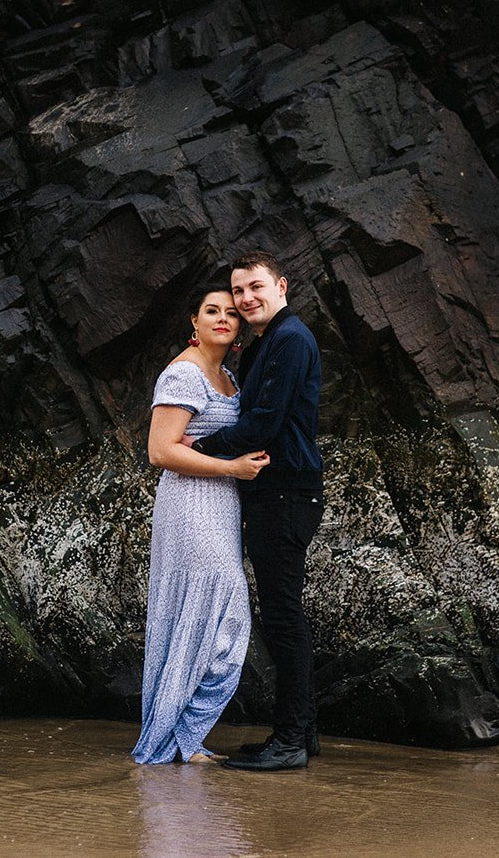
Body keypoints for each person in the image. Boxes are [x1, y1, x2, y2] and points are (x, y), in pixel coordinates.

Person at [190, 251, 324, 771]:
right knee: (284, 615)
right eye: (238, 291)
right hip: (279, 493)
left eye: (255, 288)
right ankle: (302, 733)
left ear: (281, 285)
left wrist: (197, 447)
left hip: (288, 492)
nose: (246, 299)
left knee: (284, 617)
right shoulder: (267, 343)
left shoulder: (290, 339)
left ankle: (290, 741)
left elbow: (263, 423)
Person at [132, 287, 270, 765]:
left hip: (222, 506)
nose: (223, 319)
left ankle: (181, 737)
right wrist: (232, 468)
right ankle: (178, 739)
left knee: (207, 619)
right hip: (191, 505)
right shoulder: (185, 373)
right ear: (194, 320)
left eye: (231, 313)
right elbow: (160, 451)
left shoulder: (227, 375)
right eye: (212, 311)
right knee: (220, 617)